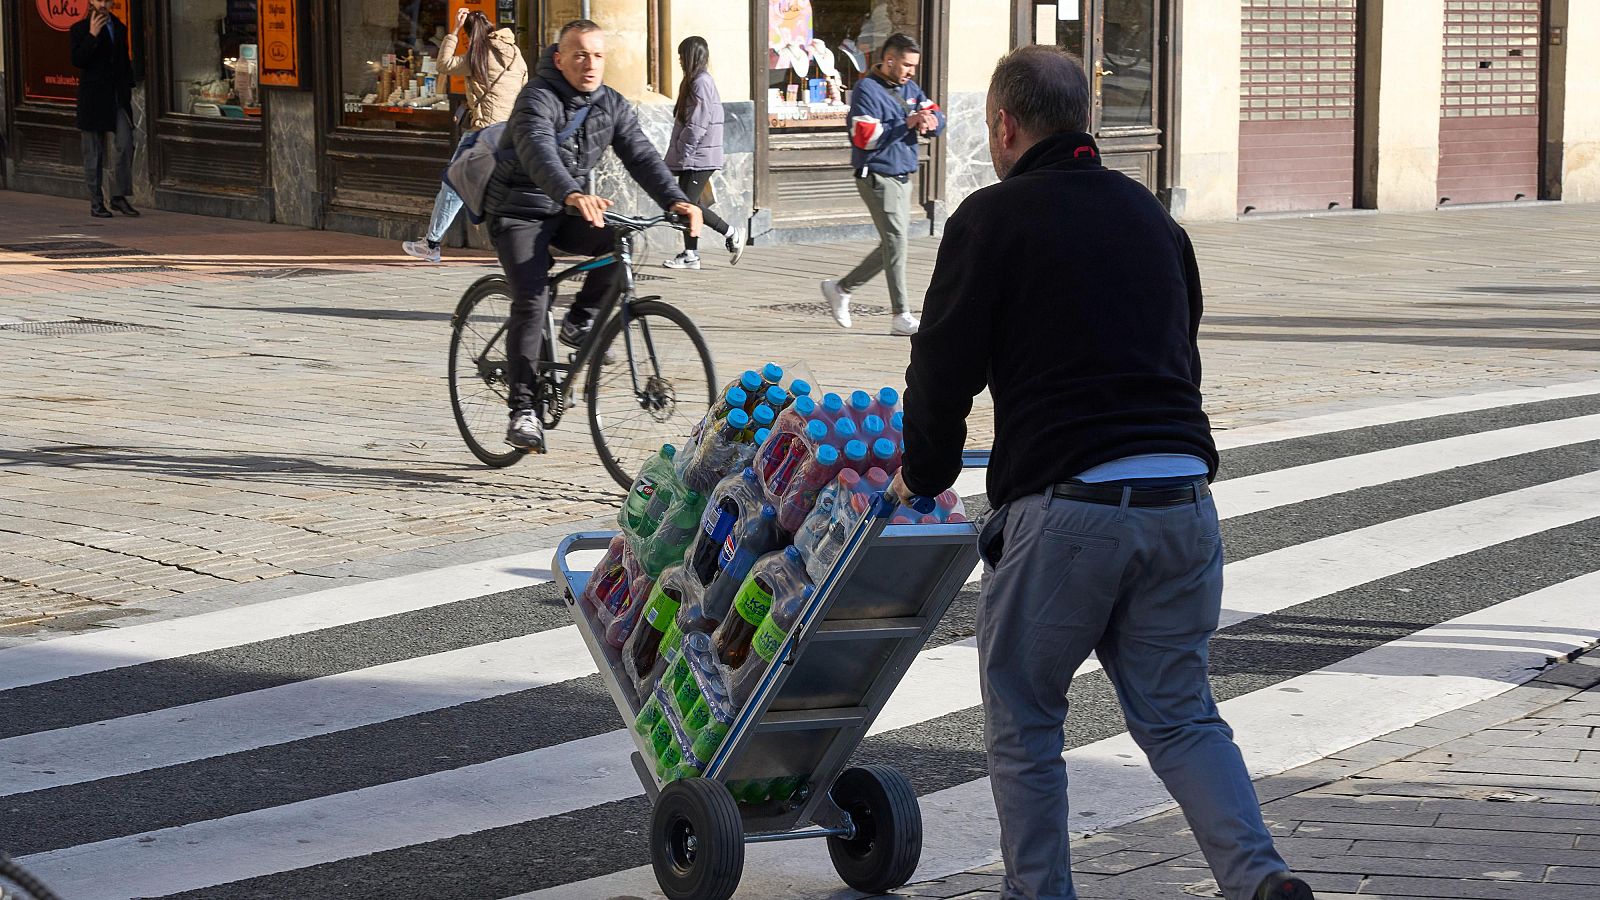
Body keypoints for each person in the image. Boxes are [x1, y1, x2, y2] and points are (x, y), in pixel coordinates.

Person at [889, 46, 1314, 900]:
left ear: (1004, 126)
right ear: (1083, 120)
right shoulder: (1153, 217)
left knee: (1025, 711)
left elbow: (941, 368)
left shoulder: (991, 218)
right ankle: (1259, 879)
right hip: (1183, 498)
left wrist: (923, 472)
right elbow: (1179, 346)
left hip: (1072, 506)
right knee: (1181, 715)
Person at [484, 19, 701, 453]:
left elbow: (640, 155)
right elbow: (537, 148)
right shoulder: (536, 99)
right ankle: (523, 409)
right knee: (532, 296)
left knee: (619, 240)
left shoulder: (611, 104)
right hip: (519, 209)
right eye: (580, 54)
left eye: (598, 55)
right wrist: (570, 191)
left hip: (569, 206)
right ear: (560, 58)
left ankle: (579, 321)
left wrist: (676, 200)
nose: (590, 63)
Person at [820, 32, 943, 337]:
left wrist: (931, 121)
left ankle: (841, 288)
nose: (911, 71)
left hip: (903, 175)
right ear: (889, 60)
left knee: (893, 244)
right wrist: (907, 123)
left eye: (914, 65)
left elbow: (935, 111)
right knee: (897, 241)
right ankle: (900, 314)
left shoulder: (910, 88)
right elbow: (863, 136)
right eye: (906, 65)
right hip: (877, 176)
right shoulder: (867, 89)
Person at [402, 9, 528, 263]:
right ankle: (517, 246)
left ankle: (432, 244)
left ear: (471, 36)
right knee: (504, 189)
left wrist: (453, 31)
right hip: (510, 131)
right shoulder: (516, 55)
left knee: (453, 185)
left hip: (483, 133)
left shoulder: (477, 56)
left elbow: (443, 65)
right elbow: (524, 87)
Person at [662, 36, 744, 270]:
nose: (679, 60)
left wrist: (684, 151)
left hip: (698, 157)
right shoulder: (695, 81)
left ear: (691, 56)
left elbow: (697, 124)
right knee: (690, 205)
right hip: (695, 155)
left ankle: (731, 233)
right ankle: (690, 255)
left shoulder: (701, 83)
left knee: (688, 205)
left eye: (681, 56)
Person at [71, 0, 138, 219]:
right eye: (98, 0)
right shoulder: (79, 29)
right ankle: (96, 201)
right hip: (93, 99)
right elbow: (78, 60)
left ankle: (118, 196)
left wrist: (127, 89)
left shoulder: (118, 27)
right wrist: (92, 35)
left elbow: (124, 63)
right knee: (93, 153)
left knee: (125, 143)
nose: (103, 4)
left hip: (116, 98)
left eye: (106, 1)